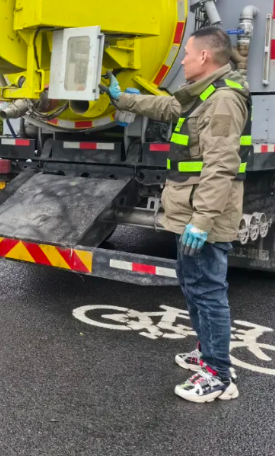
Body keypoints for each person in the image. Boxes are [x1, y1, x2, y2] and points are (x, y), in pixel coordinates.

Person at [109, 26, 250, 403]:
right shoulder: (201, 95)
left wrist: (203, 220)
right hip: (188, 210)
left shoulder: (223, 101)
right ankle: (207, 354)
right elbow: (168, 107)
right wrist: (123, 99)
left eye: (187, 53)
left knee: (208, 291)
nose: (183, 59)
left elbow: (221, 166)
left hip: (203, 216)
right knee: (192, 287)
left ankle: (219, 375)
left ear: (204, 57)